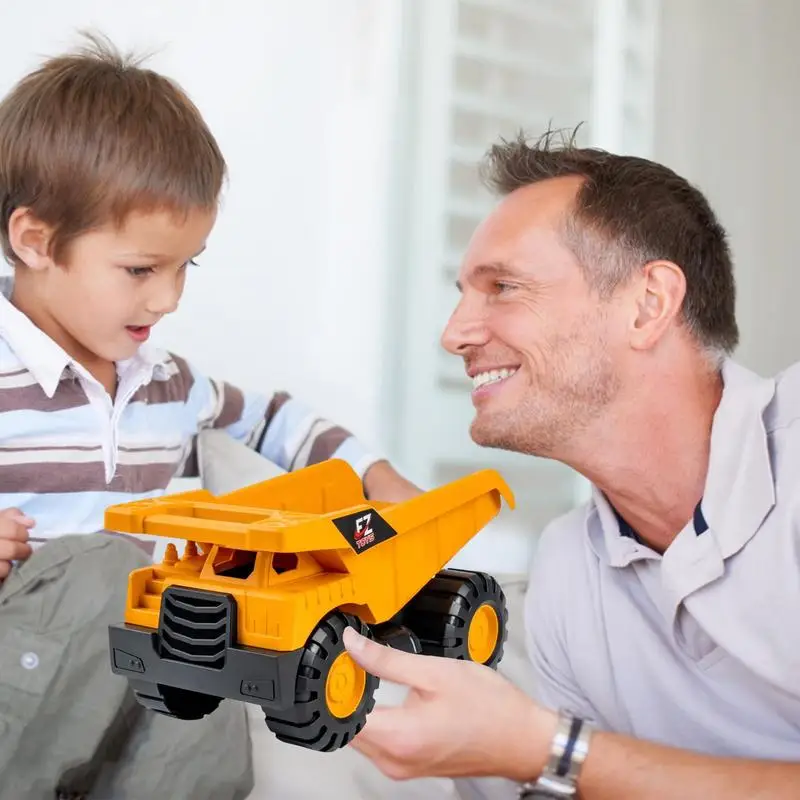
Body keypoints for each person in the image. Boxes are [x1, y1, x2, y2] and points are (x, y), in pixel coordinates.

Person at [0, 34, 418, 799]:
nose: (168, 300)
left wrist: (377, 475)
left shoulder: (169, 383)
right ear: (35, 240)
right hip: (29, 675)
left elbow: (276, 420)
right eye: (140, 270)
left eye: (186, 265)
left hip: (154, 664)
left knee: (199, 616)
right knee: (113, 565)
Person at [343, 129, 800, 799]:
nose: (455, 333)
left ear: (647, 306)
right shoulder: (569, 576)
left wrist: (547, 748)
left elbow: (568, 760)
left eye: (502, 287)